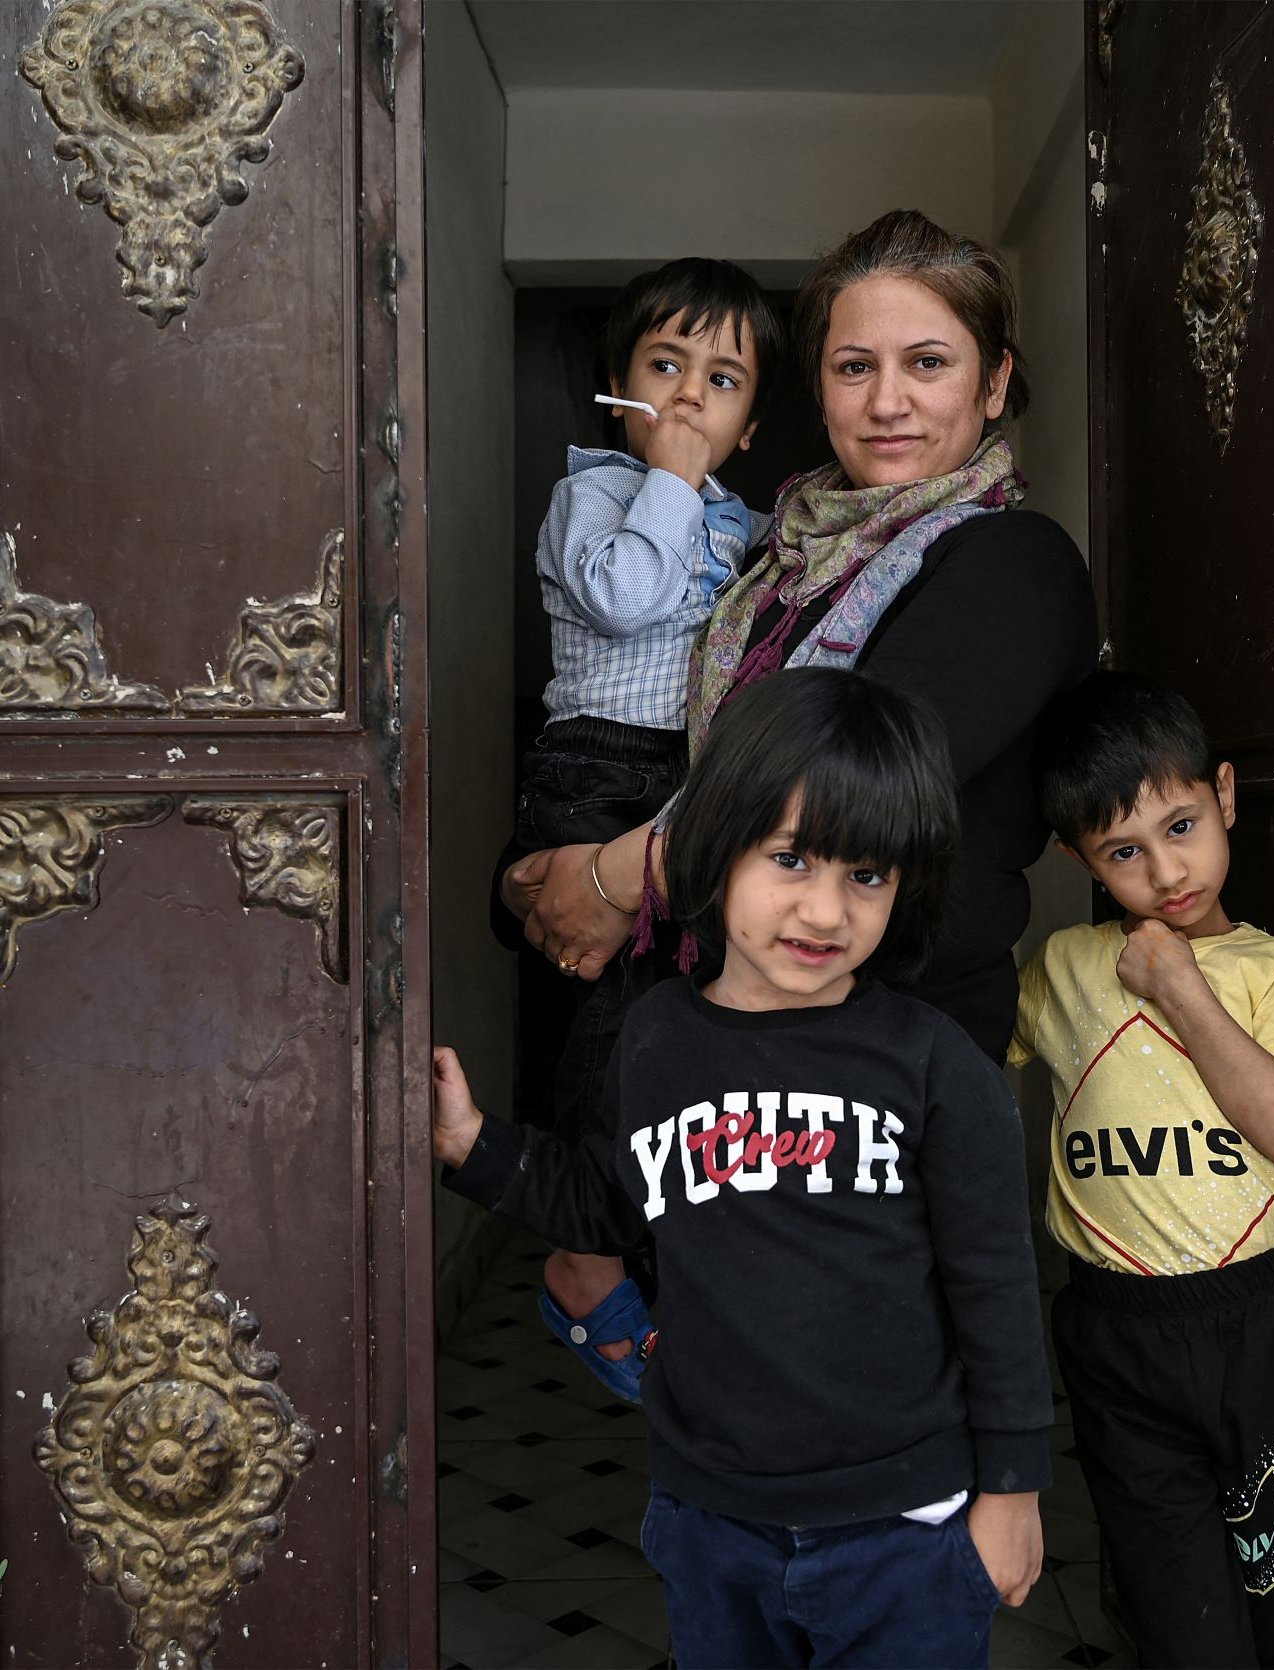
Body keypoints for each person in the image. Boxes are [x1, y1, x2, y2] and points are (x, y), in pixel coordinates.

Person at [499, 209, 1099, 1398]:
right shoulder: (772, 555)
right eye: (852, 365)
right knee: (736, 1434)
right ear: (816, 388)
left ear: (994, 386)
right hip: (734, 1047)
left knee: (861, 1426)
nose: (888, 401)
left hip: (888, 1065)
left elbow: (844, 782)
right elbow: (674, 749)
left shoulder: (1012, 562)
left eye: (927, 363)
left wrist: (618, 877)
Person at [437, 670, 1054, 1669]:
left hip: (905, 1525)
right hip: (709, 1511)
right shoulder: (656, 1039)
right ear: (715, 844)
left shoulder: (933, 1065)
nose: (823, 908)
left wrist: (1014, 1491)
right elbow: (608, 1199)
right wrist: (473, 1145)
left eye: (867, 875)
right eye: (791, 857)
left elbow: (995, 1288)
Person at [1009, 669, 1274, 1669]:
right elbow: (959, 1060)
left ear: (1225, 797)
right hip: (1115, 1328)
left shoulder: (1273, 966)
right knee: (1175, 1608)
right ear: (1079, 856)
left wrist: (1177, 980)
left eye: (1179, 825)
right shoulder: (1063, 966)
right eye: (1123, 850)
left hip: (1259, 1323)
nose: (1165, 872)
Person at [495, 259, 782, 1397]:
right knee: (607, 1011)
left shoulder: (746, 524)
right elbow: (618, 595)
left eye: (720, 381)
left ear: (750, 422)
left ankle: (656, 1237)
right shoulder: (596, 495)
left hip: (681, 786)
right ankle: (580, 1247)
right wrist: (666, 476)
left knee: (679, 1016)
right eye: (665, 367)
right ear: (616, 385)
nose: (687, 399)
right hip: (591, 772)